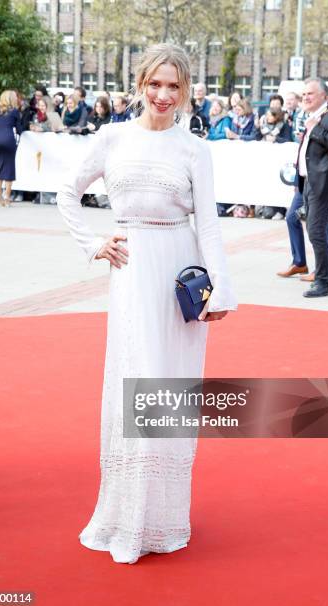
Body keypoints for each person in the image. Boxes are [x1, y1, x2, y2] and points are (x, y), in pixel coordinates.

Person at [56, 43, 237, 565]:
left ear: (184, 93)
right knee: (135, 380)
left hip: (179, 273)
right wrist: (92, 244)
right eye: (155, 84)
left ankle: (162, 519)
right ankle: (124, 516)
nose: (163, 95)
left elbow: (208, 222)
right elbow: (68, 191)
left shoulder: (194, 148)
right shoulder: (112, 137)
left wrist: (220, 289)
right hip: (132, 271)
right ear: (140, 85)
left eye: (173, 87)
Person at [296, 77, 328, 298]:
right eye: (304, 94)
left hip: (325, 181)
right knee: (319, 229)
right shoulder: (312, 118)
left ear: (324, 97)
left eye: (310, 93)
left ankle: (322, 282)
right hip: (310, 181)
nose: (305, 97)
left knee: (316, 230)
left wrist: (315, 130)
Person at [0, 90, 22, 207]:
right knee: (9, 168)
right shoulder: (14, 111)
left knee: (2, 166)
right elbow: (19, 130)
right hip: (9, 140)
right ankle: (7, 196)